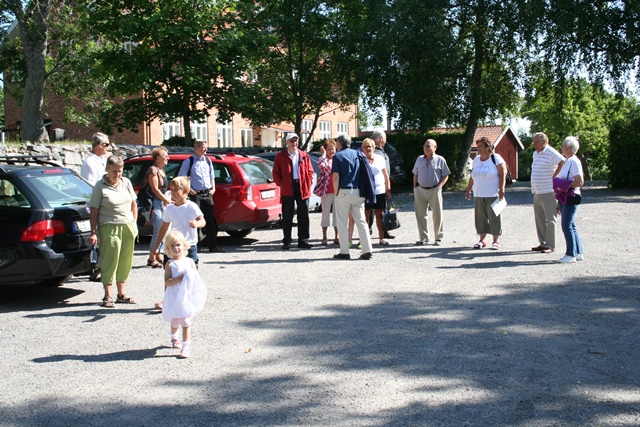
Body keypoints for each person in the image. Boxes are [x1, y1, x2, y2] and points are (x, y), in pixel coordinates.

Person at [89, 155, 138, 308]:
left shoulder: (126, 182)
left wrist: (134, 224)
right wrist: (93, 232)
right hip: (109, 225)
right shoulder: (100, 186)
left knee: (125, 260)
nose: (117, 175)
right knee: (110, 260)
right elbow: (94, 211)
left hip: (127, 226)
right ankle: (107, 295)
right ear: (107, 170)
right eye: (114, 171)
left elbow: (133, 204)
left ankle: (121, 294)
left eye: (120, 171)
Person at [151, 176, 206, 311]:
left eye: (176, 190)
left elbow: (203, 221)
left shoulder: (191, 206)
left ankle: (189, 299)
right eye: (172, 189)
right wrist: (156, 245)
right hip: (172, 245)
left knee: (190, 273)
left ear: (185, 191)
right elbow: (164, 227)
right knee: (170, 274)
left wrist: (197, 224)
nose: (173, 192)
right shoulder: (170, 209)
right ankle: (168, 300)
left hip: (188, 246)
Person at [163, 230, 208, 359]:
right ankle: (173, 335)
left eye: (178, 245)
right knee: (175, 321)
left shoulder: (189, 262)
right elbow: (167, 281)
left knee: (186, 321)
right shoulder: (170, 264)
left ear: (184, 245)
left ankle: (186, 347)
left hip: (186, 297)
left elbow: (195, 279)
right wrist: (179, 279)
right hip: (175, 296)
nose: (176, 248)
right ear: (168, 249)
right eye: (172, 246)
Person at [331, 134, 375, 260]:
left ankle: (344, 251)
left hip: (343, 191)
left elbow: (335, 177)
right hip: (358, 192)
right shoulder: (358, 154)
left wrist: (336, 193)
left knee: (342, 222)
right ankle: (367, 250)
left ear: (340, 143)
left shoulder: (338, 156)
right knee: (361, 222)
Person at [177, 140, 224, 253]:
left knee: (210, 220)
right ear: (197, 148)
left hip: (207, 193)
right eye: (204, 147)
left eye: (206, 147)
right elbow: (181, 178)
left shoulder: (208, 161)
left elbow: (212, 175)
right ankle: (196, 246)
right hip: (195, 195)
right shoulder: (189, 161)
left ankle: (213, 245)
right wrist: (189, 190)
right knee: (195, 220)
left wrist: (213, 188)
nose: (206, 150)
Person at [272, 133, 315, 250]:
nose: (294, 143)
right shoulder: (280, 156)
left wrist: (308, 182)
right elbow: (276, 173)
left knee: (303, 215)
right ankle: (287, 241)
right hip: (287, 188)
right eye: (292, 141)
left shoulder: (304, 155)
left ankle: (303, 240)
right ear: (287, 142)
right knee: (287, 216)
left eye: (296, 141)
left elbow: (310, 171)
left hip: (302, 187)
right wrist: (282, 183)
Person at [465, 137, 507, 250]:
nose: (478, 148)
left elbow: (503, 173)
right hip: (478, 193)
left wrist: (501, 189)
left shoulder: (495, 158)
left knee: (494, 217)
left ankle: (496, 241)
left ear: (487, 147)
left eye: (480, 146)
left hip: (492, 193)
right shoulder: (477, 159)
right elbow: (472, 176)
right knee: (480, 217)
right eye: (477, 146)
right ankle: (482, 240)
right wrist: (469, 189)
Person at [80, 132, 111, 282]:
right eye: (106, 144)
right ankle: (95, 268)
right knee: (97, 235)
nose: (108, 148)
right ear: (99, 145)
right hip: (97, 202)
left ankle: (101, 266)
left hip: (105, 201)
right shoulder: (90, 163)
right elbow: (90, 185)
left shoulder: (102, 161)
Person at [530, 132, 565, 254]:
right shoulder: (536, 153)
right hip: (537, 190)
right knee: (539, 219)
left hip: (549, 190)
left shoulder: (550, 152)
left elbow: (562, 162)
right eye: (533, 143)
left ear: (544, 141)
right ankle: (543, 242)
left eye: (536, 142)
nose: (534, 145)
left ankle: (550, 244)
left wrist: (555, 176)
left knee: (551, 219)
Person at [412, 139, 451, 246]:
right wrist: (415, 188)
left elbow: (446, 174)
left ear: (435, 147)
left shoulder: (440, 160)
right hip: (420, 189)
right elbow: (415, 174)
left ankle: (438, 237)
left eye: (429, 146)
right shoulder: (419, 159)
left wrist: (440, 187)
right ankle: (423, 237)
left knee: (437, 214)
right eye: (425, 146)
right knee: (420, 215)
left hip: (434, 189)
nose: (426, 148)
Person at [556, 136, 584, 263]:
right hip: (564, 196)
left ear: (569, 148)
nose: (561, 148)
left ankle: (570, 254)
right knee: (571, 225)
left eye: (563, 146)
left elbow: (579, 182)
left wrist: (564, 184)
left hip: (571, 196)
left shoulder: (573, 161)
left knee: (566, 225)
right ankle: (578, 252)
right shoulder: (567, 161)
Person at [361, 138, 391, 246]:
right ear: (362, 148)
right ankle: (365, 238)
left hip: (380, 191)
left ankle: (381, 238)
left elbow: (386, 175)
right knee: (365, 215)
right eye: (365, 146)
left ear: (374, 148)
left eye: (370, 146)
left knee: (380, 215)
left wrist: (388, 190)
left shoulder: (380, 158)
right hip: (366, 192)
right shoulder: (361, 159)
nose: (368, 148)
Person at [146, 147, 172, 268]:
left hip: (162, 203)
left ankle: (158, 255)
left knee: (164, 229)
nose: (168, 157)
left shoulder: (162, 171)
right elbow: (155, 189)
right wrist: (167, 200)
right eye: (165, 155)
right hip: (156, 203)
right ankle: (152, 257)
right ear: (157, 158)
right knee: (158, 230)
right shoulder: (153, 170)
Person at [313, 139, 339, 245]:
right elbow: (321, 166)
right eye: (329, 149)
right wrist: (323, 155)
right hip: (326, 191)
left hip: (337, 191)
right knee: (325, 213)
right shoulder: (323, 159)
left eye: (332, 149)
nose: (331, 151)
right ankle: (324, 236)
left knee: (337, 214)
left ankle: (337, 237)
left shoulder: (338, 160)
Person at [371, 129, 395, 240]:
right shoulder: (375, 152)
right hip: (376, 187)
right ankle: (371, 230)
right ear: (381, 139)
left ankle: (384, 230)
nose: (386, 140)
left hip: (383, 185)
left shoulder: (381, 151)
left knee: (382, 210)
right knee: (374, 211)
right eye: (385, 138)